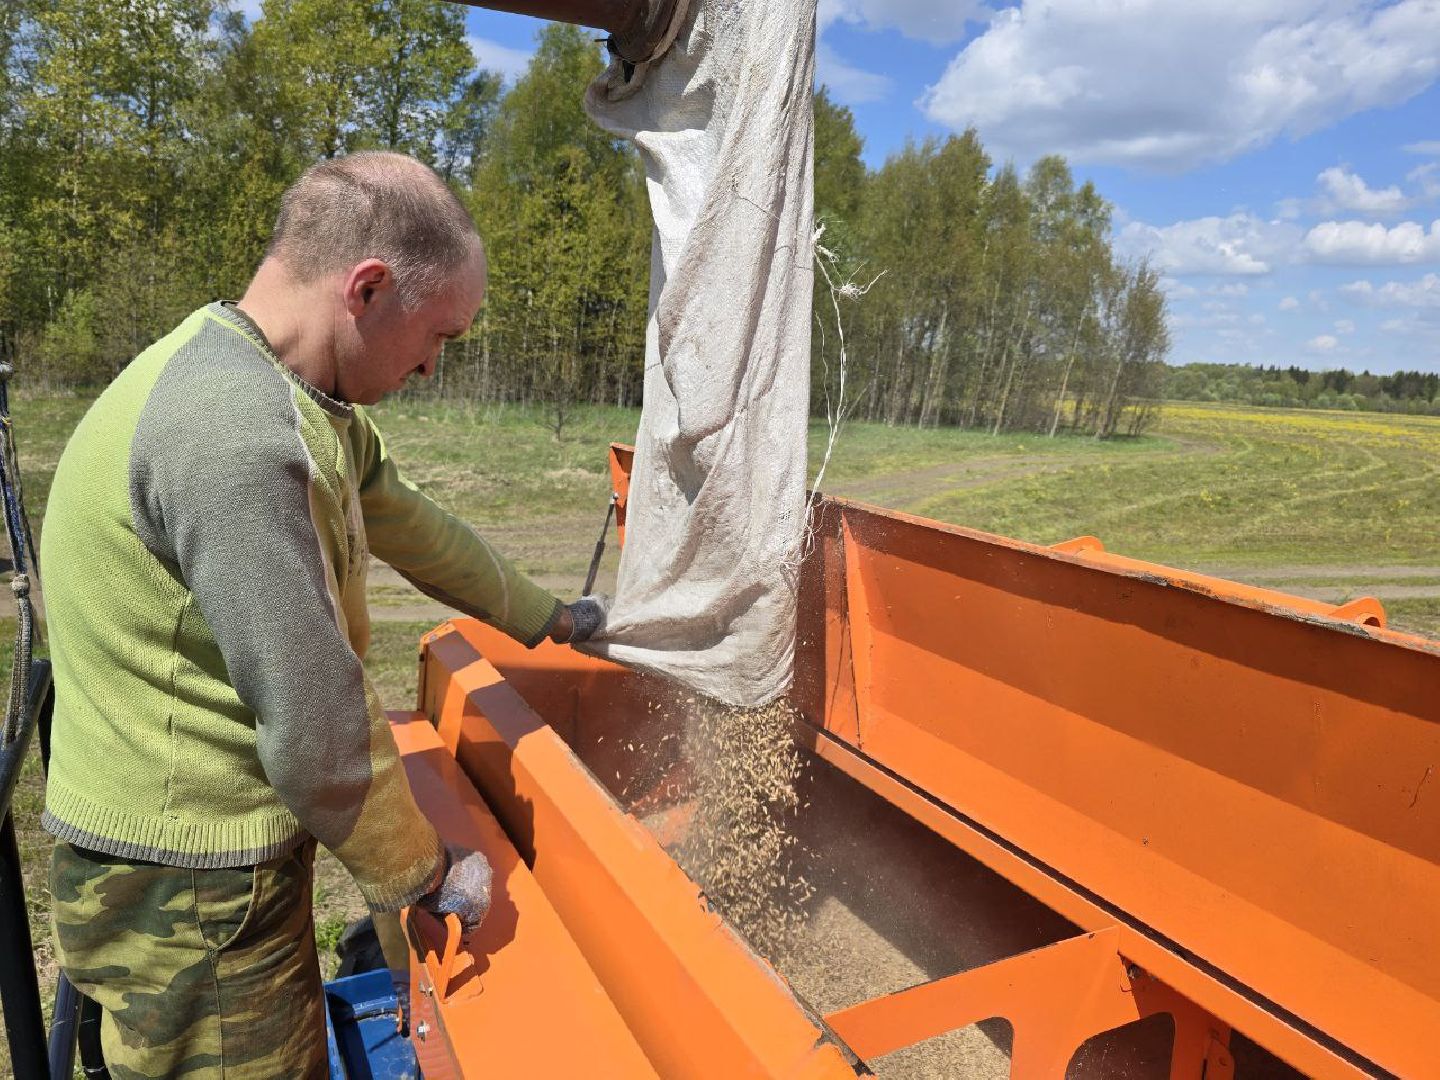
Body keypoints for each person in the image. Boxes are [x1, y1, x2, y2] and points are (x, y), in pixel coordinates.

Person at [40, 150, 605, 1078]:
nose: (430, 366)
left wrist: (552, 618)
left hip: (211, 856)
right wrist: (424, 872)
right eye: (439, 337)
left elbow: (414, 525)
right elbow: (314, 725)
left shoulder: (303, 400)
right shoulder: (232, 433)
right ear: (369, 288)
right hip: (189, 890)